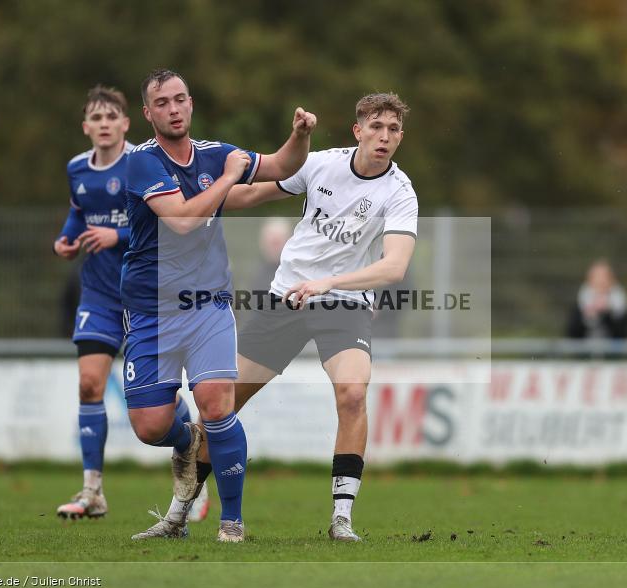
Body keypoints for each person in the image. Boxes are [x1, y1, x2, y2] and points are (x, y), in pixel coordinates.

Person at [199, 92, 418, 541]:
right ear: (358, 131)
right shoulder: (321, 164)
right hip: (288, 296)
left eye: (393, 129)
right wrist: (193, 203)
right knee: (220, 404)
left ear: (400, 137)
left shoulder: (400, 191)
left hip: (344, 303)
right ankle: (181, 508)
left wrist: (329, 283)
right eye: (376, 127)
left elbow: (394, 267)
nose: (384, 136)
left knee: (353, 394)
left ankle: (342, 518)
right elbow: (253, 193)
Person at [122, 69, 316, 542]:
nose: (173, 109)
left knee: (217, 404)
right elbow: (181, 219)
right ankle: (187, 440)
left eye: (180, 99)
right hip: (150, 309)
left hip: (208, 303)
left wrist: (299, 136)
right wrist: (229, 178)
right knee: (150, 426)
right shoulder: (142, 162)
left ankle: (232, 522)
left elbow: (280, 165)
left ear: (191, 103)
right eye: (162, 102)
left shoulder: (214, 152)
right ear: (147, 113)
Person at [52, 85, 134, 520]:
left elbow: (165, 223)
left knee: (155, 408)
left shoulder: (141, 164)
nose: (104, 124)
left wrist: (116, 235)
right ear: (86, 127)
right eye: (96, 118)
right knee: (88, 385)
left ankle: (189, 467)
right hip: (99, 294)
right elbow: (78, 214)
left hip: (143, 294)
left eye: (111, 116)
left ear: (125, 124)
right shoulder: (77, 168)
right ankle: (92, 491)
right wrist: (65, 240)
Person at [565, 260, 627, 339]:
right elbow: (572, 334)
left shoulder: (621, 305)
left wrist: (607, 312)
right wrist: (586, 316)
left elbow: (622, 333)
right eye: (597, 277)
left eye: (604, 277)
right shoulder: (579, 304)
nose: (601, 281)